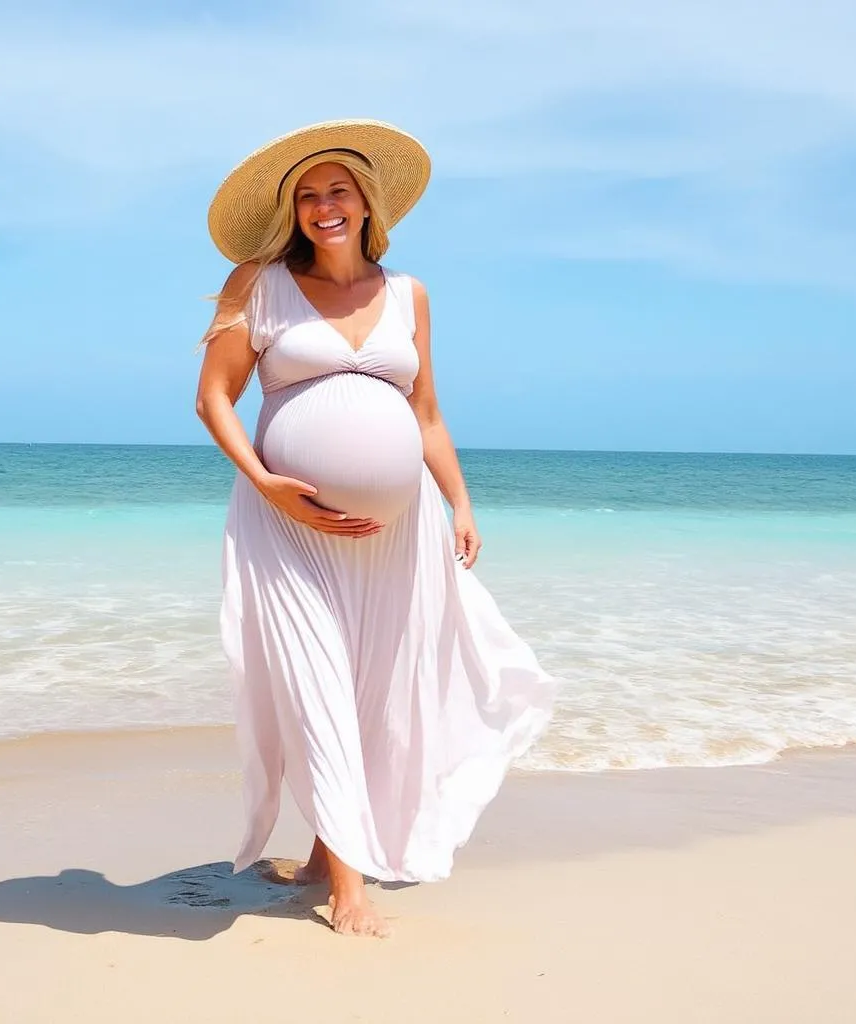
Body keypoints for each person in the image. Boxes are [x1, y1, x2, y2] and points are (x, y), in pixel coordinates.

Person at [195, 119, 556, 938]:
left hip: (399, 536)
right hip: (286, 526)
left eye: (339, 192)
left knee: (371, 693)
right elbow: (213, 397)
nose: (325, 206)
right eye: (309, 195)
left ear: (367, 205)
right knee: (318, 683)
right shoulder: (256, 282)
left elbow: (424, 414)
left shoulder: (410, 294)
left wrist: (460, 503)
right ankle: (349, 891)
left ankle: (330, 853)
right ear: (293, 211)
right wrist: (265, 483)